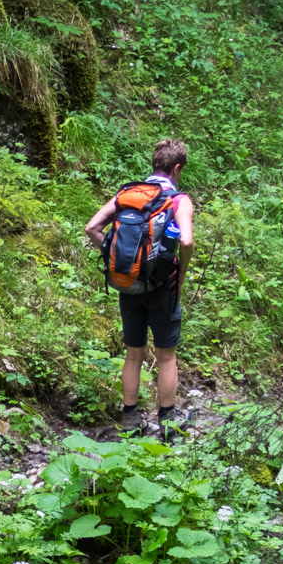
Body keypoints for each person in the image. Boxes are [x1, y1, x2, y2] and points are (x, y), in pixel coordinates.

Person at [84, 138, 195, 438]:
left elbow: (92, 227)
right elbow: (185, 241)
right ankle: (169, 426)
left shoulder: (128, 194)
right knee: (166, 356)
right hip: (162, 287)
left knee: (134, 354)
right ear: (176, 168)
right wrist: (180, 274)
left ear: (154, 164)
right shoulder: (178, 200)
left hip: (128, 285)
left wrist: (114, 258)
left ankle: (131, 421)